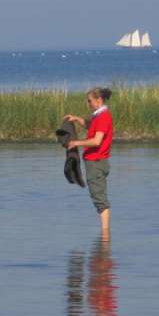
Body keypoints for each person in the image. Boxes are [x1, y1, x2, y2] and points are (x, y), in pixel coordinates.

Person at [64, 88, 114, 233]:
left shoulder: (104, 117)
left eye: (90, 101)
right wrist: (76, 118)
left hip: (97, 163)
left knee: (99, 199)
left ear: (99, 100)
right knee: (98, 196)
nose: (88, 104)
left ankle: (105, 234)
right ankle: (105, 233)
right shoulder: (98, 116)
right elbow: (90, 125)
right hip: (95, 162)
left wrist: (76, 143)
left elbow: (97, 141)